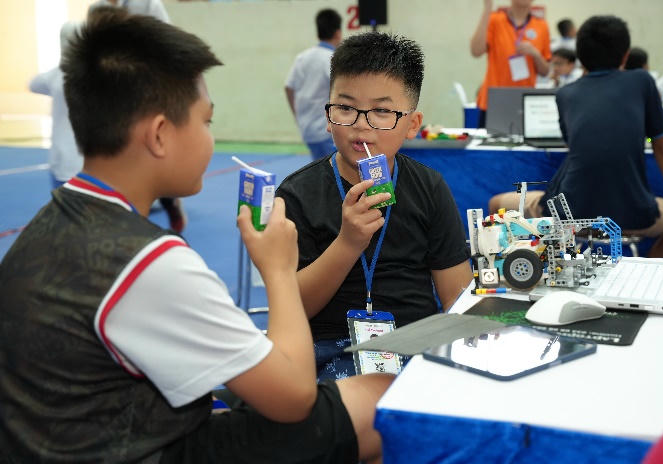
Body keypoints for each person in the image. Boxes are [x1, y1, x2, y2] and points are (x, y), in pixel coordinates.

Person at [0, 9, 391, 462]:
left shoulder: (50, 223)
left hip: (77, 438)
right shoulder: (150, 263)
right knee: (377, 399)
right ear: (160, 135)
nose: (210, 138)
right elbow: (295, 397)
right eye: (206, 122)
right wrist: (279, 270)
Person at [276, 32, 473, 380]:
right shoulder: (297, 194)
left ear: (412, 124)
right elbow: (292, 308)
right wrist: (348, 243)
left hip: (417, 345)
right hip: (330, 350)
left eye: (381, 111)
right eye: (345, 108)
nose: (361, 125)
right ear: (328, 115)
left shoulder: (429, 188)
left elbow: (457, 300)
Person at [488, 15, 663, 258]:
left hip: (568, 212)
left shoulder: (565, 94)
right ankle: (649, 269)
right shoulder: (643, 82)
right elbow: (662, 147)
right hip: (632, 213)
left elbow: (575, 144)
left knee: (496, 205)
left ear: (580, 57)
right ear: (625, 55)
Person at [91, 0, 187, 233]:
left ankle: (169, 201)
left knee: (151, 155)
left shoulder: (147, 4)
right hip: (114, 93)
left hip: (147, 85)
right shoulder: (99, 7)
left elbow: (166, 38)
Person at [470, 0, 551, 127]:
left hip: (524, 102)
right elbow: (476, 51)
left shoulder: (541, 25)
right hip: (493, 101)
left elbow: (545, 71)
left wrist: (535, 54)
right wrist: (487, 9)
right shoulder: (495, 19)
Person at [28, 21, 82, 189]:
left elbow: (33, 84)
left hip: (61, 159)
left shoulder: (55, 76)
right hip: (86, 160)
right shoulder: (94, 77)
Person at [285, 9, 341, 161]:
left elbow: (289, 88)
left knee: (320, 167)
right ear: (338, 33)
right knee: (332, 169)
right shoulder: (333, 59)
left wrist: (297, 116)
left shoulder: (302, 57)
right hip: (326, 131)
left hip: (307, 129)